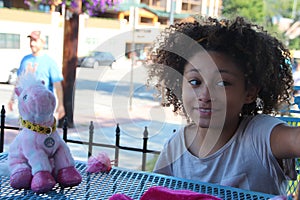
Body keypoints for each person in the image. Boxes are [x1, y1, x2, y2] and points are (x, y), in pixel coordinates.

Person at [146, 16, 299, 195]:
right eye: (195, 82)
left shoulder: (260, 135)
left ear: (249, 92)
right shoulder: (175, 146)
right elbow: (156, 194)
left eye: (222, 83)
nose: (205, 95)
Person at [8, 30, 65, 120]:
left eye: (35, 40)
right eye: (31, 40)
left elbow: (57, 85)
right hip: (25, 106)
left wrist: (61, 105)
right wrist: (12, 99)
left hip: (43, 108)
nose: (32, 43)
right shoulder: (25, 60)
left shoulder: (50, 62)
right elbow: (19, 81)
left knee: (42, 132)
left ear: (43, 42)